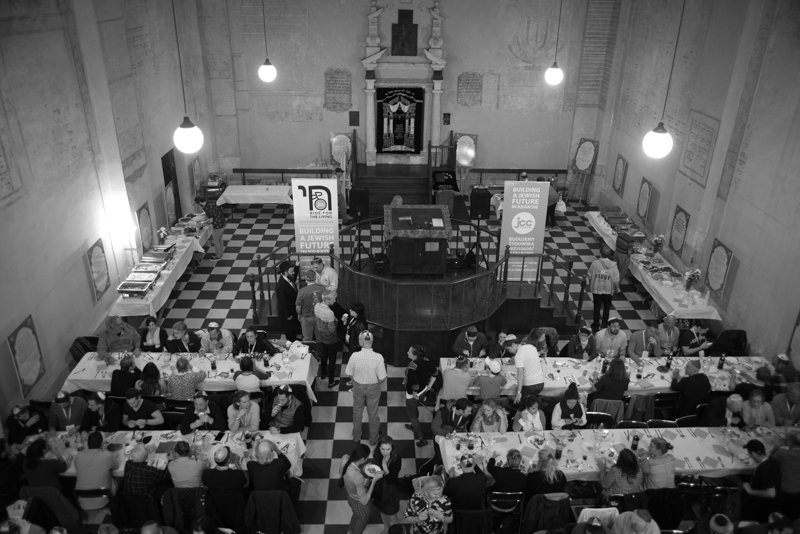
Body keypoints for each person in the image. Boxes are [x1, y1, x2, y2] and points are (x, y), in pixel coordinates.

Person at [345, 330, 387, 445]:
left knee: (357, 411)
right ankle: (373, 439)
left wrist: (355, 380)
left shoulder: (354, 356)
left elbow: (349, 372)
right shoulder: (378, 357)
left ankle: (356, 436)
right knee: (373, 413)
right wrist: (375, 382)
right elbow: (382, 378)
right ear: (372, 342)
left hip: (358, 386)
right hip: (373, 388)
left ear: (360, 342)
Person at [340, 443, 383, 534]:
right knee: (361, 522)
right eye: (366, 458)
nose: (367, 459)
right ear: (362, 459)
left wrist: (362, 469)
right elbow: (364, 500)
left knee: (356, 515)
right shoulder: (358, 477)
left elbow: (346, 473)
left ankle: (350, 531)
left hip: (350, 497)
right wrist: (374, 480)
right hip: (360, 505)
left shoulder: (345, 458)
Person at [404, 344, 438, 447]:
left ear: (415, 355)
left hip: (413, 395)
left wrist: (414, 394)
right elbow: (435, 372)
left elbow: (414, 382)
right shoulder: (426, 361)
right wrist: (429, 386)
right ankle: (415, 426)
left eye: (409, 351)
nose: (407, 352)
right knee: (415, 408)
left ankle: (421, 438)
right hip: (423, 391)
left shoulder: (413, 366)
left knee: (412, 416)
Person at [74, 431, 118, 510]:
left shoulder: (78, 456)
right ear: (101, 444)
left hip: (81, 500)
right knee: (116, 478)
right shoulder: (107, 455)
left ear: (87, 444)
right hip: (103, 498)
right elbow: (116, 466)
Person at [741, 439, 780, 521]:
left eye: (749, 454)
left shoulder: (764, 469)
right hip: (773, 499)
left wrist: (750, 491)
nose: (750, 456)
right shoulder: (772, 460)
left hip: (761, 505)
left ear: (753, 454)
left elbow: (771, 494)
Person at [371, 436, 402, 533]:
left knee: (392, 514)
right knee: (382, 510)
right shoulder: (377, 454)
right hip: (379, 487)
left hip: (390, 489)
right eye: (382, 449)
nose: (385, 452)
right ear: (379, 448)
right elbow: (375, 468)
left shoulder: (396, 459)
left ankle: (397, 531)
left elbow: (391, 480)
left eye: (388, 449)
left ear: (392, 448)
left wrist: (384, 465)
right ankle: (386, 527)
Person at [587, 246, 620, 332]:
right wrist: (617, 288)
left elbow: (589, 274)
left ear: (600, 253)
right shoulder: (614, 266)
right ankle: (604, 324)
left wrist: (592, 282)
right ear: (610, 255)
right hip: (608, 291)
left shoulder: (595, 263)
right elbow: (616, 280)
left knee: (596, 307)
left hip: (597, 289)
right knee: (607, 307)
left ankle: (595, 325)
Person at [315, 289, 341, 388]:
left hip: (321, 336)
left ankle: (323, 374)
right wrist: (337, 321)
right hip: (331, 339)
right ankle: (331, 382)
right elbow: (332, 329)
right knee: (332, 360)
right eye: (334, 299)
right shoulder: (330, 313)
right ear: (328, 299)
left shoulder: (317, 306)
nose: (335, 300)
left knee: (324, 356)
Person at [772, 430, 800, 518]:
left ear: (790, 442)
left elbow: (768, 462)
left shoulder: (782, 452)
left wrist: (776, 447)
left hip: (785, 492)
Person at [342, 302, 369, 389]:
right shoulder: (353, 318)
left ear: (357, 312)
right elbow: (349, 329)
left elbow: (362, 340)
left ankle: (357, 386)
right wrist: (345, 322)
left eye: (352, 310)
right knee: (353, 366)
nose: (350, 310)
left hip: (356, 348)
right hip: (352, 346)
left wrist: (356, 351)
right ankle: (353, 380)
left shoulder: (361, 325)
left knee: (357, 367)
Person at [512, 334, 545, 402]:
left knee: (522, 403)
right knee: (531, 401)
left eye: (509, 349)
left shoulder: (518, 355)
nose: (509, 351)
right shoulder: (533, 348)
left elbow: (520, 374)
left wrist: (519, 392)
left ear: (514, 345)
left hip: (529, 386)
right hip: (541, 384)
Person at [295, 269, 325, 341]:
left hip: (306, 318)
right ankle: (319, 348)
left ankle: (309, 348)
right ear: (315, 278)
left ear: (306, 278)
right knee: (320, 338)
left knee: (307, 339)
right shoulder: (322, 289)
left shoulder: (302, 291)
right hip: (320, 317)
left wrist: (299, 315)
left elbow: (298, 307)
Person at [275, 259, 301, 342]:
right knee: (290, 332)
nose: (293, 273)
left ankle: (296, 339)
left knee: (294, 328)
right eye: (291, 271)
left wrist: (296, 267)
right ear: (285, 272)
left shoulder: (288, 278)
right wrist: (287, 315)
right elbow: (283, 302)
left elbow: (294, 277)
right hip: (287, 314)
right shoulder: (280, 286)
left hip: (292, 310)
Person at [196, 194, 227, 259]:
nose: (199, 205)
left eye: (198, 203)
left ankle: (218, 256)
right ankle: (221, 253)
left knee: (215, 241)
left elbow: (211, 220)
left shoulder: (208, 208)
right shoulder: (210, 202)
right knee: (220, 239)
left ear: (200, 202)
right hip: (222, 222)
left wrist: (202, 224)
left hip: (217, 226)